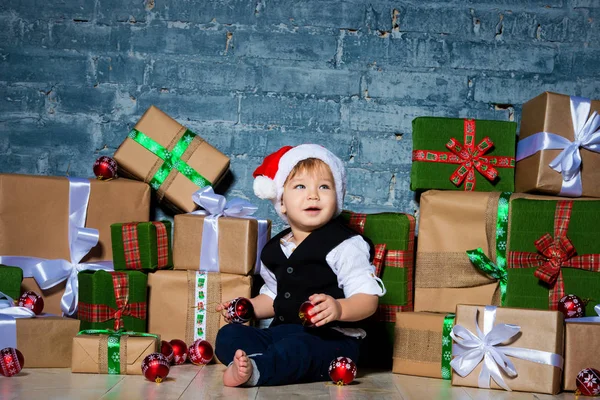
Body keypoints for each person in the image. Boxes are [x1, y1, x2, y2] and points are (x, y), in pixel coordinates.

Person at [215, 144, 386, 387]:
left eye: (324, 187)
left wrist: (339, 308)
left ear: (337, 198)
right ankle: (252, 362)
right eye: (300, 186)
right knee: (229, 334)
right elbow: (274, 298)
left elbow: (368, 300)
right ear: (281, 202)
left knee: (299, 348)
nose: (313, 195)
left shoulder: (346, 245)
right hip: (281, 333)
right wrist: (248, 308)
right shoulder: (275, 249)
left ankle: (255, 371)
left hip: (331, 340)